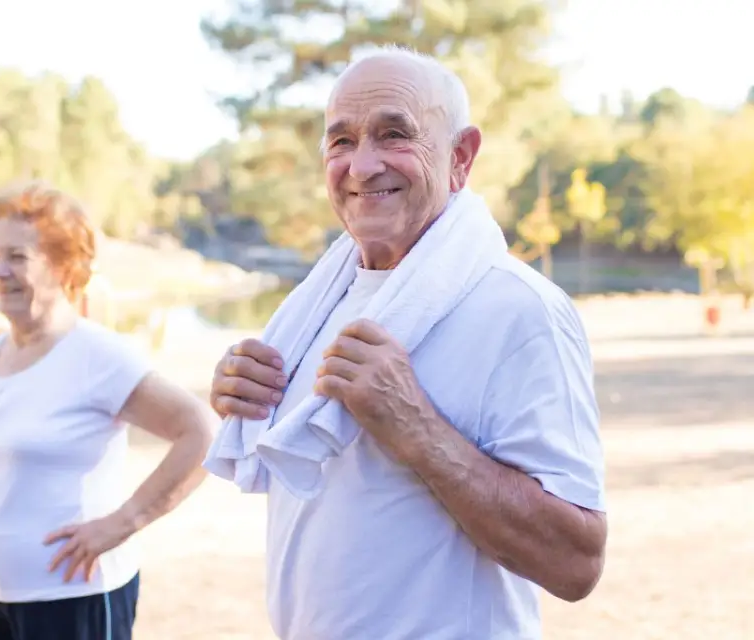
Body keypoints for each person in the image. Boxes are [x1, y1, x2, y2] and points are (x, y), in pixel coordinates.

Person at [208, 47, 608, 639]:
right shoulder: (314, 307)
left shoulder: (522, 311)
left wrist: (415, 425)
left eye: (394, 134)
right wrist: (244, 390)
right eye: (340, 141)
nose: (362, 165)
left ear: (461, 157)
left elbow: (577, 563)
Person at [0, 180, 215, 640]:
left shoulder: (97, 356)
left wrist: (124, 522)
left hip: (73, 600)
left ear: (62, 265)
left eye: (17, 257)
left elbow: (202, 432)